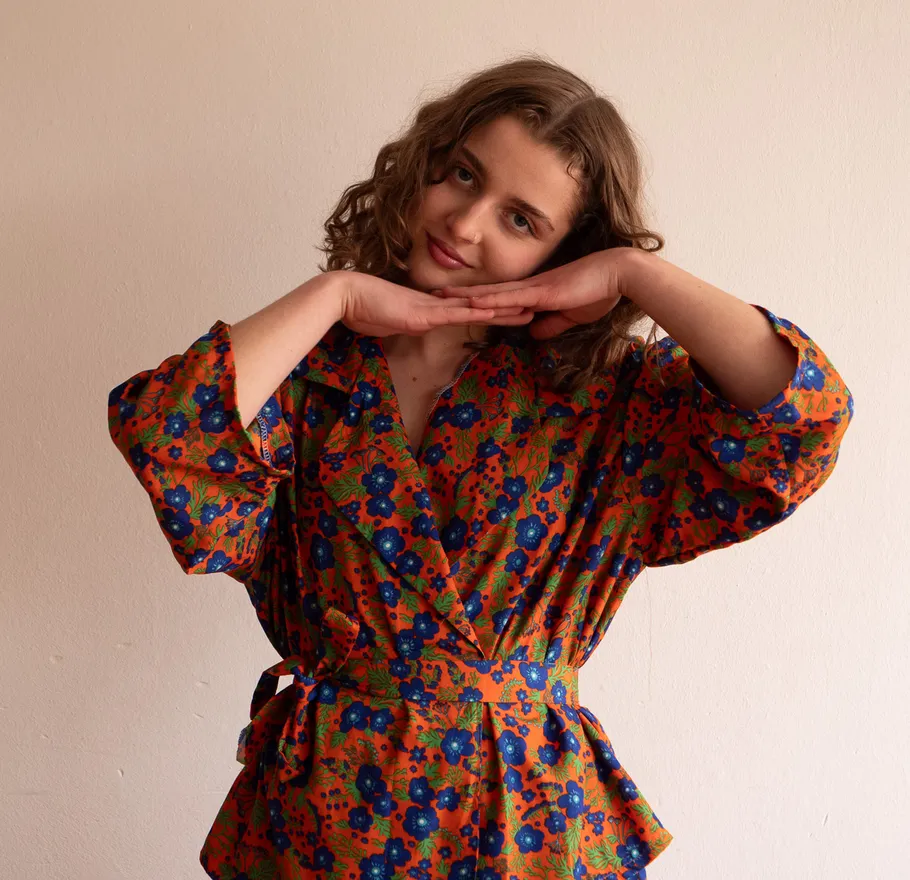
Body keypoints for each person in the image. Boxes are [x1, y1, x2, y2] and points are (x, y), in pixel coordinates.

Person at [106, 54, 855, 880]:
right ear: (424, 163)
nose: (465, 225)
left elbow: (803, 420)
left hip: (524, 823)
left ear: (569, 251)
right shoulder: (311, 375)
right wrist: (335, 296)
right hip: (326, 821)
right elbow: (165, 431)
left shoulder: (604, 399)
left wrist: (634, 274)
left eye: (521, 220)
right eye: (463, 174)